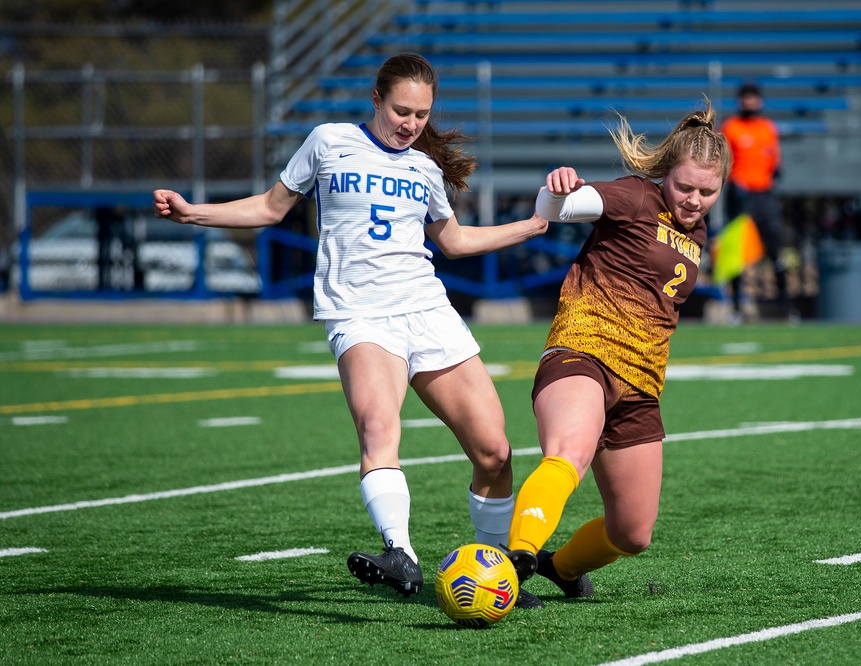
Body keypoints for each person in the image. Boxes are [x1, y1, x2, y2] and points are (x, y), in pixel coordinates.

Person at [152, 52, 548, 607]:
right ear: (376, 100)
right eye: (401, 110)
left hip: (428, 310)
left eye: (421, 115)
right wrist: (194, 213)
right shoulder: (328, 141)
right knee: (378, 427)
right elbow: (270, 208)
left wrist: (533, 225)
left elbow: (453, 242)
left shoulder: (426, 170)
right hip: (360, 313)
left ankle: (494, 570)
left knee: (495, 452)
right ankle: (400, 555)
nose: (410, 124)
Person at [503, 103, 732, 600]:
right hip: (583, 352)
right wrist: (556, 188)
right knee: (569, 453)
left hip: (642, 383)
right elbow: (555, 210)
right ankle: (514, 561)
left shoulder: (697, 231)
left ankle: (559, 568)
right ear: (665, 174)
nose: (695, 200)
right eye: (685, 187)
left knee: (633, 532)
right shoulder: (635, 196)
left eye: (707, 192)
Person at [719, 82, 796, 322]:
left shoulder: (767, 128)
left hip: (765, 196)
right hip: (741, 196)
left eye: (753, 98)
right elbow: (723, 161)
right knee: (737, 252)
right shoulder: (731, 127)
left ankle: (787, 306)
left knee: (776, 249)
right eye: (745, 98)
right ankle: (736, 308)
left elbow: (776, 161)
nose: (749, 102)